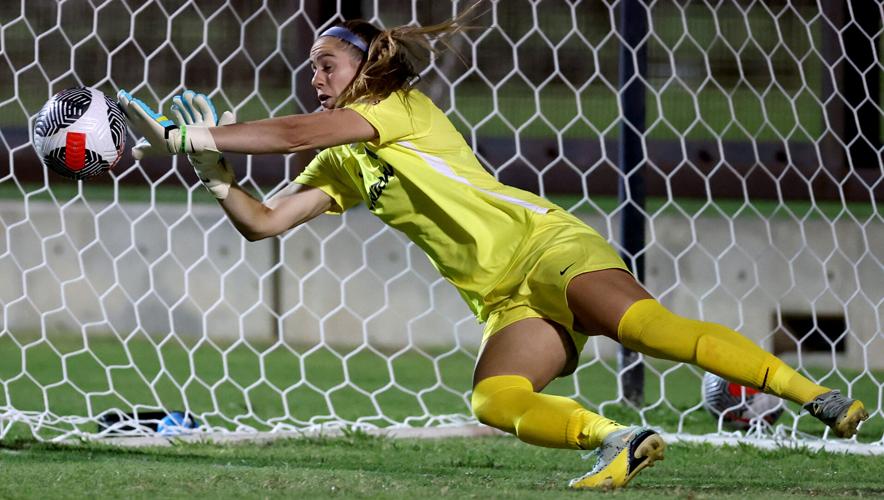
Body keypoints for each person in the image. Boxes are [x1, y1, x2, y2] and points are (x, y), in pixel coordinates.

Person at [117, 11, 869, 490]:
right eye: (310, 65)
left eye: (326, 64)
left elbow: (289, 135)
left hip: (546, 246)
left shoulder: (393, 108)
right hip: (505, 299)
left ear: (367, 70)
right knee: (493, 398)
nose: (313, 76)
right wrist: (213, 177)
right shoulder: (343, 157)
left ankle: (820, 400)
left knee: (646, 330)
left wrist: (184, 135)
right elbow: (267, 225)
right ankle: (622, 439)